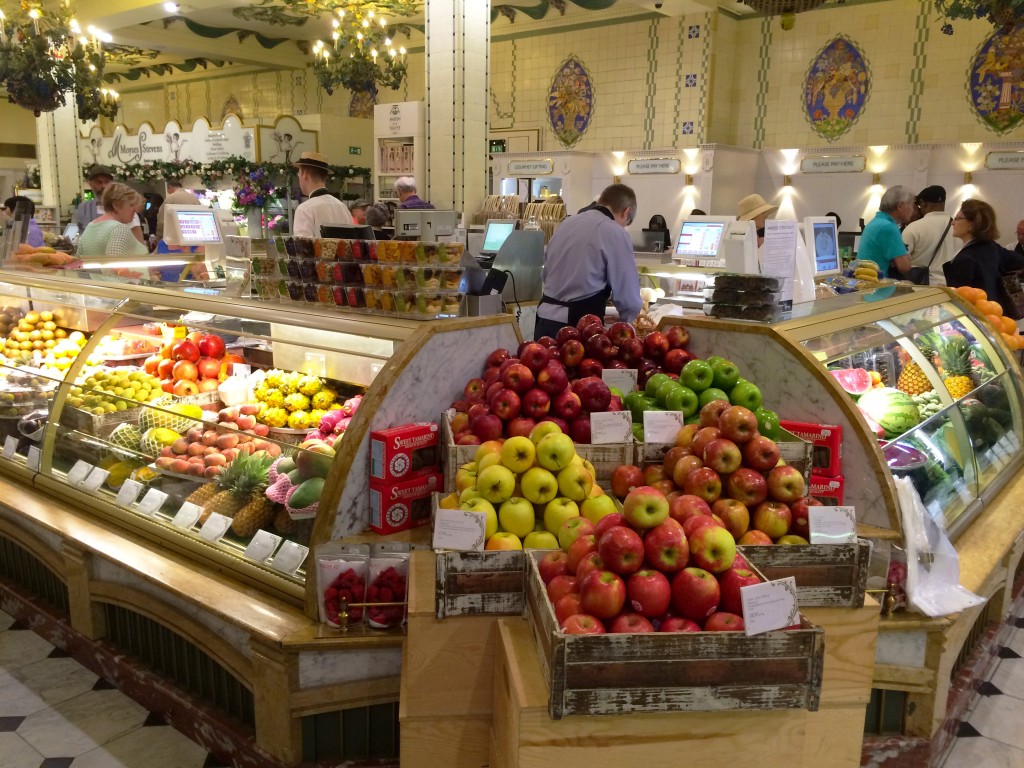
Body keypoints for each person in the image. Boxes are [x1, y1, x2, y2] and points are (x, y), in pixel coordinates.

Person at [534, 183, 643, 339]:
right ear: (627, 212)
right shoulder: (614, 231)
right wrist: (626, 321)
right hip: (578, 327)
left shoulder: (567, 223)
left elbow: (545, 274)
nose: (623, 227)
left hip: (543, 320)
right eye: (626, 223)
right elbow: (629, 297)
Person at [944, 199, 1024, 317]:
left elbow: (959, 299)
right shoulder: (992, 247)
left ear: (971, 224)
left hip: (977, 316)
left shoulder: (965, 258)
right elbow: (1019, 262)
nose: (952, 223)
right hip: (996, 313)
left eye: (957, 218)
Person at [901, 185, 958, 286]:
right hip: (952, 285)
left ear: (923, 203)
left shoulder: (913, 228)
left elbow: (902, 261)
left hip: (922, 287)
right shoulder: (958, 227)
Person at [74, 165, 145, 244]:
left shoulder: (126, 209)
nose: (103, 186)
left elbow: (140, 244)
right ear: (90, 184)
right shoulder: (83, 209)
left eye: (107, 182)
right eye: (99, 182)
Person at [76, 183, 149, 258]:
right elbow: (115, 266)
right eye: (131, 205)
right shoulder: (119, 229)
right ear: (116, 205)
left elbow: (78, 262)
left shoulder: (90, 226)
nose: (136, 210)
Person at [856, 185, 915, 276]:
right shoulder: (888, 228)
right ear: (900, 206)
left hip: (866, 283)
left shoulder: (876, 222)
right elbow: (904, 267)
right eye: (911, 205)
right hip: (878, 287)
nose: (912, 210)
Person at [291, 152, 352, 238]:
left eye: (299, 174)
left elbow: (303, 248)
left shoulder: (305, 209)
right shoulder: (342, 207)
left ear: (305, 175)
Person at [154, 189, 210, 282]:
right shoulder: (163, 243)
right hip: (168, 292)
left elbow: (202, 275)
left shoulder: (200, 245)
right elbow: (154, 268)